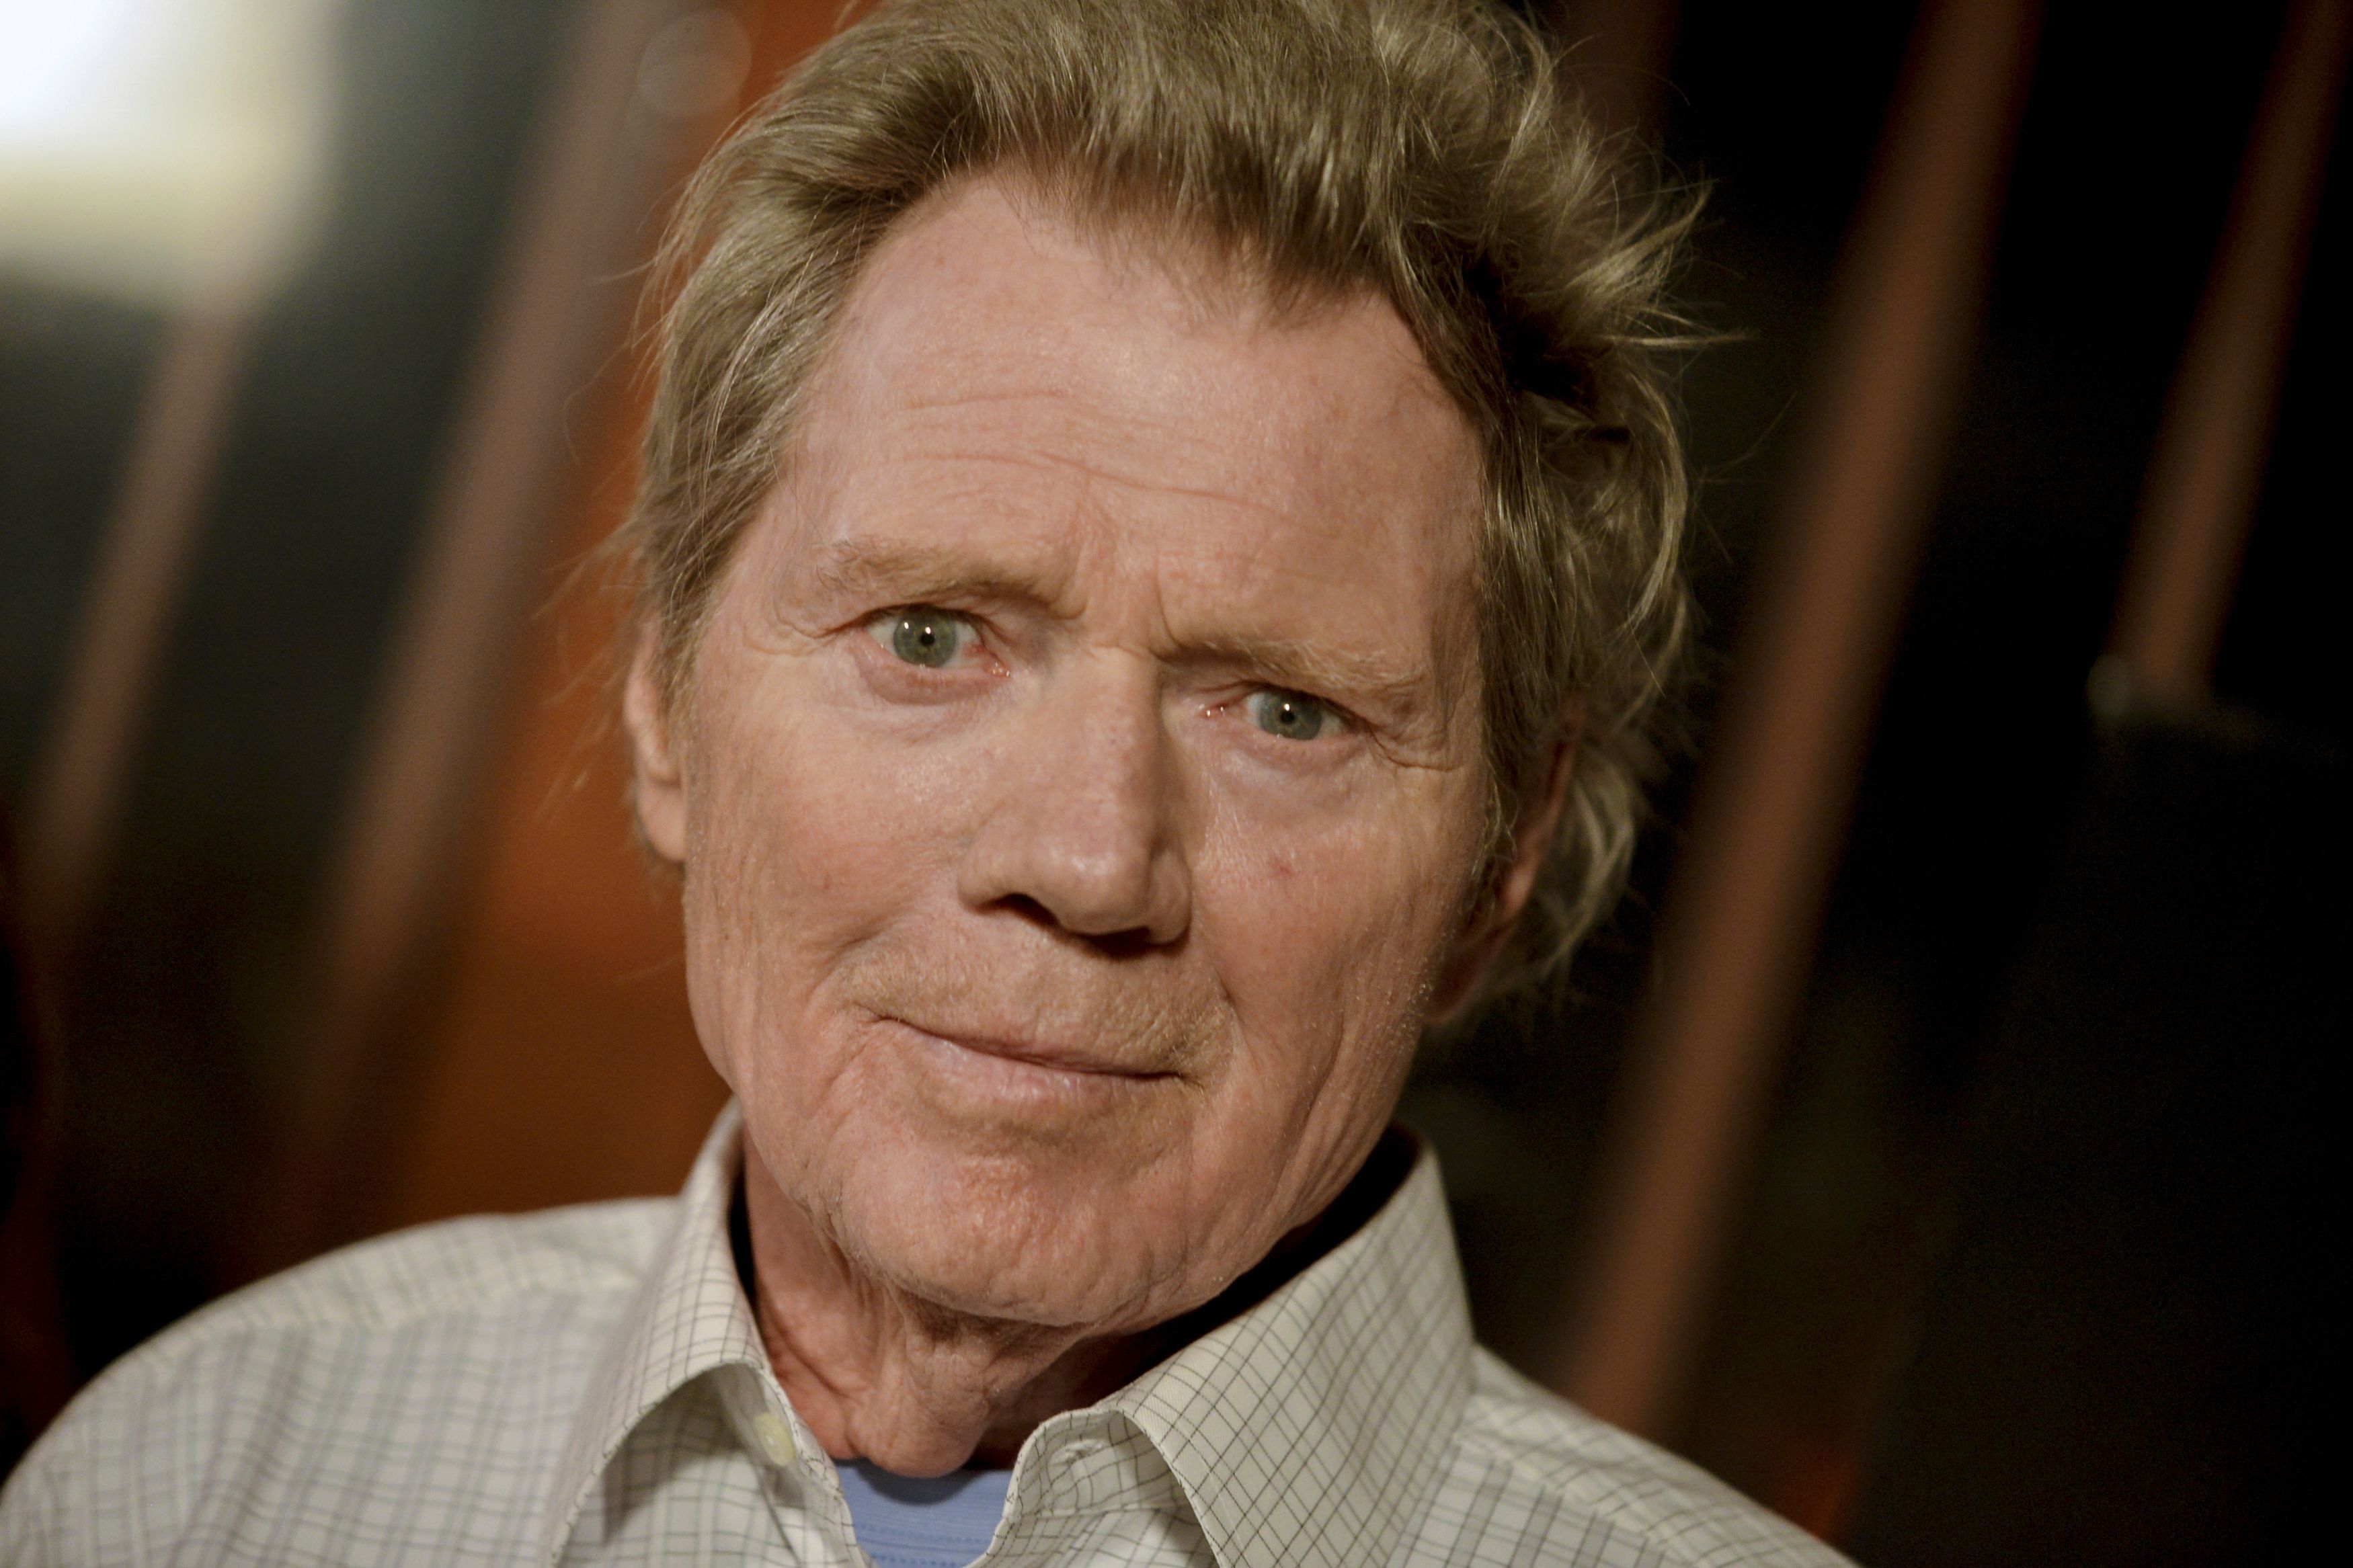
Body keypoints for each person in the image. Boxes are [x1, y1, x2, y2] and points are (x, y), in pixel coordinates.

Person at [0, 1, 1849, 1563]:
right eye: (932, 635)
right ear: (663, 702)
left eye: (1285, 714)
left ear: (1503, 861)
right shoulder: (206, 1478)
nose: (1089, 858)